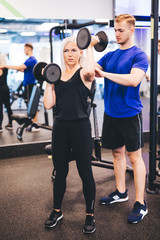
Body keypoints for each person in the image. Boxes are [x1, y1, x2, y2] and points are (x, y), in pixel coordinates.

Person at [95, 14, 149, 224]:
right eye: (115, 30)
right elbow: (92, 70)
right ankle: (120, 191)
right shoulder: (110, 56)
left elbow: (134, 80)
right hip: (111, 113)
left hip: (129, 113)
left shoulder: (139, 55)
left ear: (131, 30)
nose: (116, 34)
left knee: (135, 157)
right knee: (117, 153)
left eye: (120, 30)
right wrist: (89, 47)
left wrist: (105, 74)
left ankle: (141, 203)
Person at [43, 36, 97, 234]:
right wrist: (49, 80)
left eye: (74, 50)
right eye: (66, 51)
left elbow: (91, 71)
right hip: (60, 129)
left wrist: (90, 44)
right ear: (62, 54)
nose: (70, 54)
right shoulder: (56, 76)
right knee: (60, 172)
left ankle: (90, 214)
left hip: (81, 128)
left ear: (80, 52)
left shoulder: (83, 73)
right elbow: (48, 104)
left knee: (85, 173)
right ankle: (57, 211)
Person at [0, 43, 38, 131]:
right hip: (27, 84)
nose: (24, 51)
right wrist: (14, 67)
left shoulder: (31, 60)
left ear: (29, 49)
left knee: (31, 105)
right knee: (29, 104)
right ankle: (32, 123)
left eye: (25, 49)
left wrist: (6, 66)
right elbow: (21, 69)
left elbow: (19, 67)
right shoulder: (29, 60)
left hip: (30, 84)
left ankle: (34, 124)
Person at [0, 53, 13, 132]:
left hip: (1, 89)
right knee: (8, 106)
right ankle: (10, 123)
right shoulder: (6, 68)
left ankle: (0, 126)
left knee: (0, 107)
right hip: (6, 89)